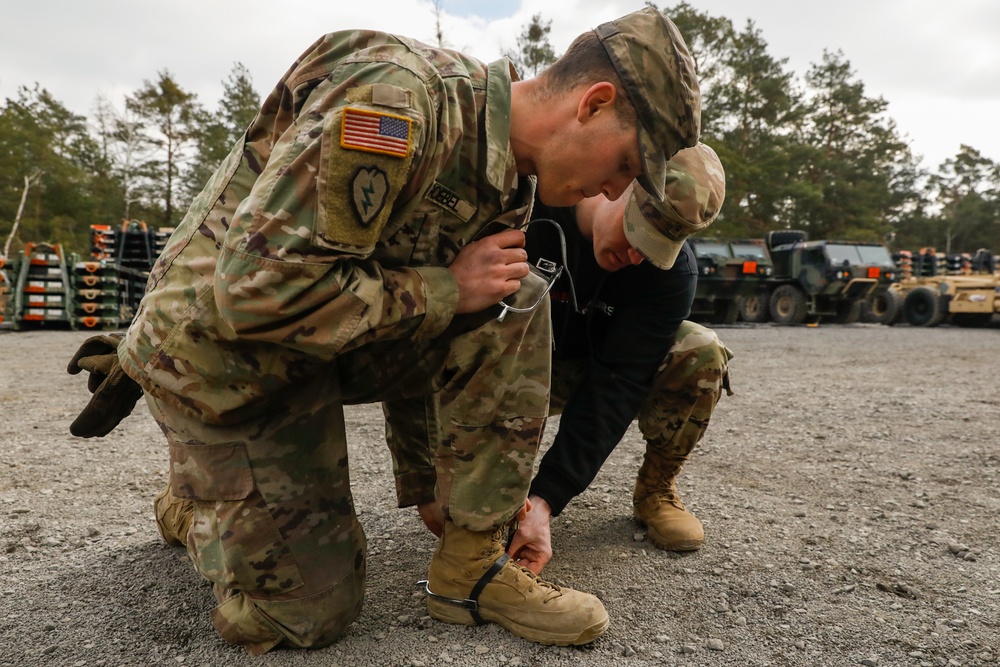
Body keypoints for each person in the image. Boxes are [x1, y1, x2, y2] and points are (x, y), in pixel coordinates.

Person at [65, 7, 701, 657]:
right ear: (594, 103)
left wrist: (429, 479)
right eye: (626, 166)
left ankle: (472, 566)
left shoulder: (511, 175)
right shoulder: (395, 102)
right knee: (308, 614)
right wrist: (449, 287)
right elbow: (251, 294)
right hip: (221, 353)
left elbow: (435, 317)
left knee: (513, 293)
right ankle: (196, 505)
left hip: (320, 343)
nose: (615, 189)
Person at [510, 144, 733, 573]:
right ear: (618, 185)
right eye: (637, 234)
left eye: (655, 249)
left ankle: (655, 490)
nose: (636, 257)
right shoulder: (532, 206)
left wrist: (545, 499)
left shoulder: (672, 275)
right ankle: (490, 494)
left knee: (699, 349)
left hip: (595, 365)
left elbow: (618, 382)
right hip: (518, 362)